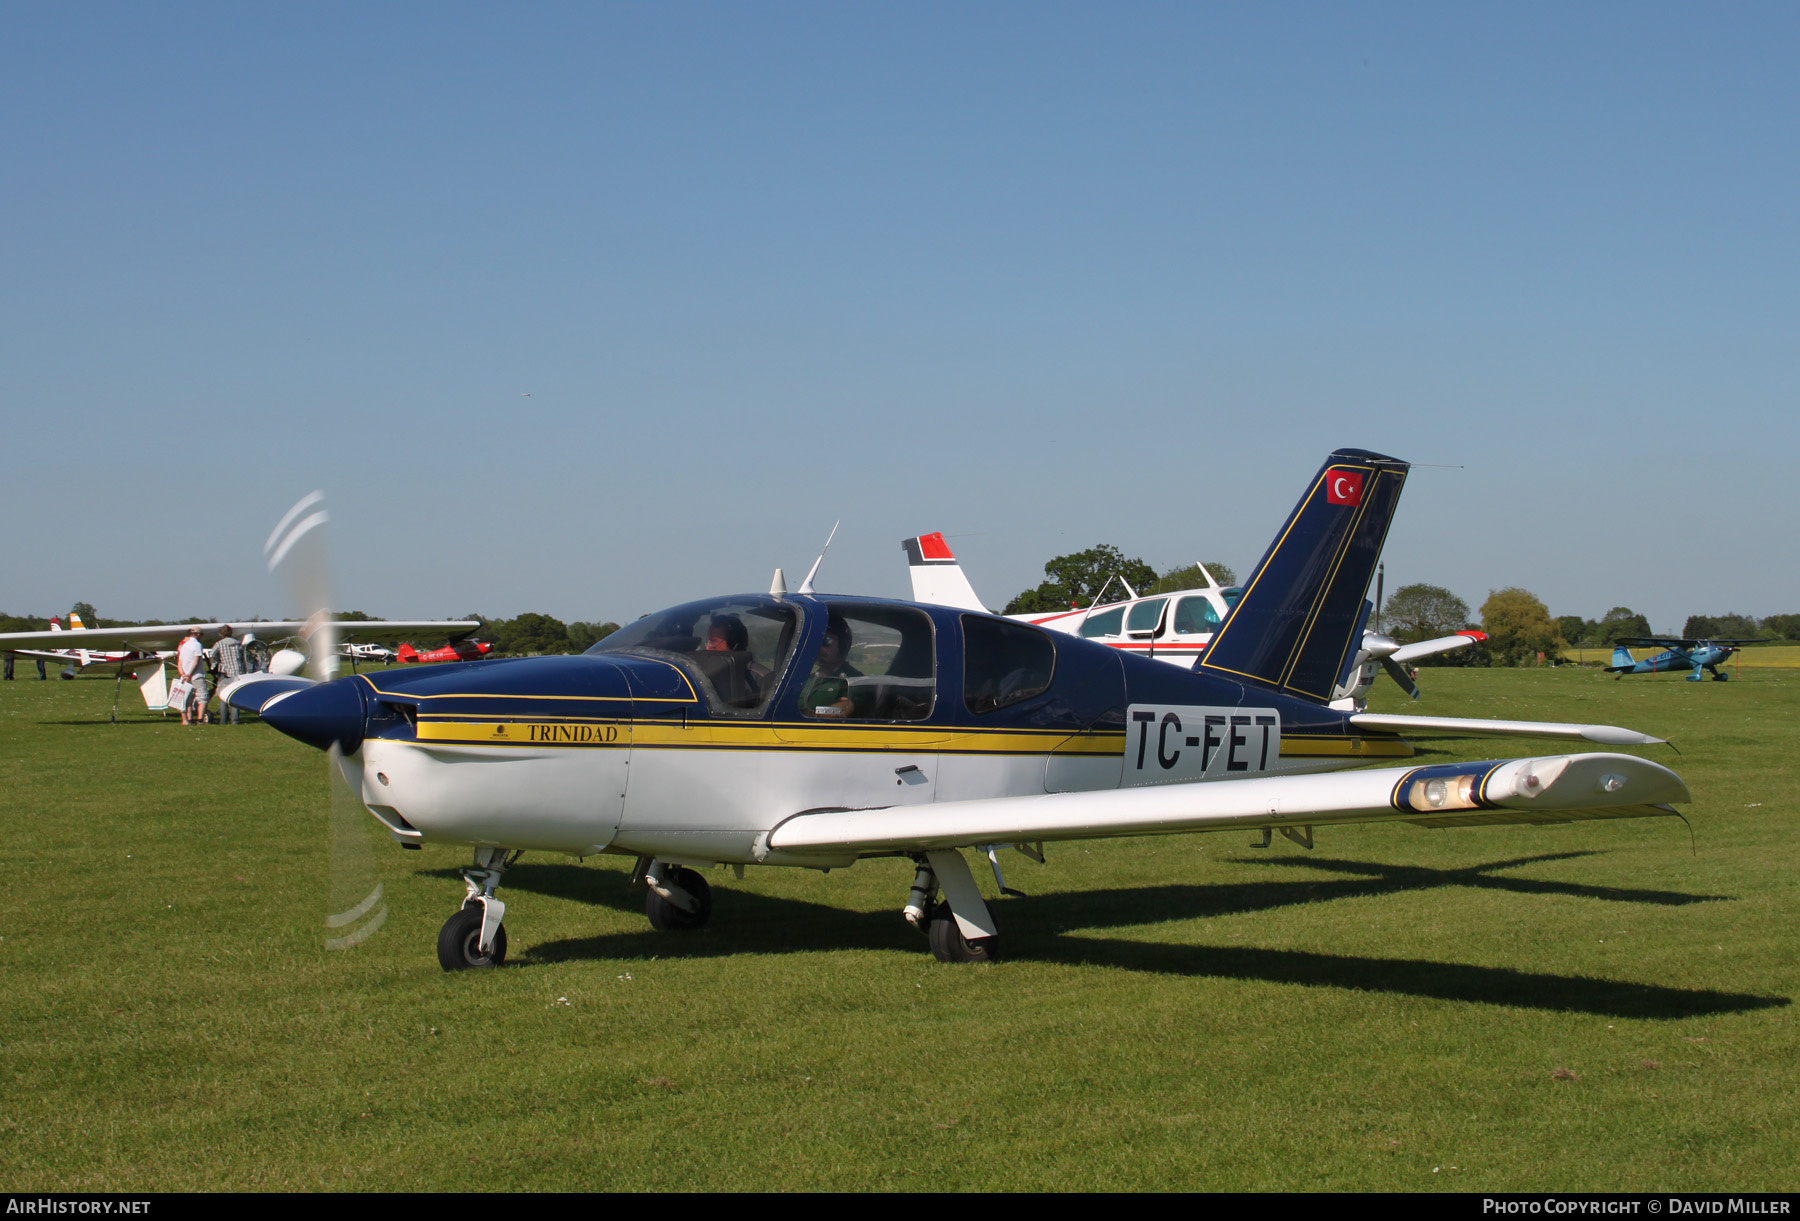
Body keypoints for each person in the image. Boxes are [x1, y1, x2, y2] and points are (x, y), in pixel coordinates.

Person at [799, 617, 865, 718]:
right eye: (816, 642)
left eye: (826, 641)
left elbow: (841, 710)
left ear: (844, 645)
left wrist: (803, 713)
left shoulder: (855, 681)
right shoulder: (808, 679)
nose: (819, 649)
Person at [210, 626, 247, 724]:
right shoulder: (238, 644)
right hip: (238, 672)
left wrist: (216, 664)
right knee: (235, 696)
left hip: (225, 672)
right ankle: (235, 720)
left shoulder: (219, 644)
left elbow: (212, 655)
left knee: (223, 696)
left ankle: (223, 720)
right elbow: (243, 658)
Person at [175, 627, 205, 725]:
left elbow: (180, 661)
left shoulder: (184, 645)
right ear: (197, 634)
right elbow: (196, 662)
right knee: (203, 697)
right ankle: (200, 720)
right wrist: (189, 674)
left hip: (185, 676)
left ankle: (187, 719)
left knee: (187, 699)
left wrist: (183, 674)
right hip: (196, 675)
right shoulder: (197, 645)